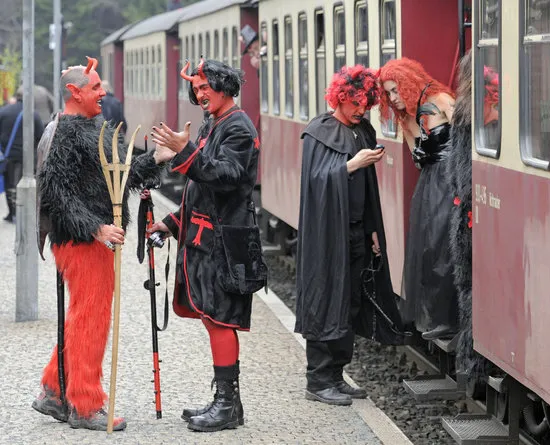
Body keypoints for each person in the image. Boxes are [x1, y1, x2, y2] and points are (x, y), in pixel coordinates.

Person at [32, 56, 171, 431]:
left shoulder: (97, 127)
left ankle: (53, 390)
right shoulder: (64, 132)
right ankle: (84, 404)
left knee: (82, 317)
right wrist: (96, 228)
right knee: (91, 320)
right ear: (75, 93)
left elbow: (121, 176)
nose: (103, 92)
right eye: (95, 88)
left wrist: (158, 158)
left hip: (94, 239)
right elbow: (56, 193)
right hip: (81, 241)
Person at [149, 58, 266, 433]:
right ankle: (225, 402)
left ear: (224, 87)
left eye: (205, 88)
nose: (200, 94)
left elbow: (226, 177)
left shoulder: (239, 128)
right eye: (196, 89)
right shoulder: (214, 123)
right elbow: (200, 190)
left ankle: (228, 406)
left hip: (226, 242)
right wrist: (169, 224)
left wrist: (185, 154)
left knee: (220, 320)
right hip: (208, 239)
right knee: (212, 318)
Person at [295, 65, 395, 406]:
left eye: (365, 103)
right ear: (339, 97)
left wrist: (371, 231)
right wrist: (353, 164)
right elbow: (316, 182)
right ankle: (318, 380)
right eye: (354, 102)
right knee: (326, 299)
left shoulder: (362, 130)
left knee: (349, 302)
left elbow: (367, 191)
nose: (359, 110)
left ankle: (336, 375)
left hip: (354, 232)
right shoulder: (319, 131)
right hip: (326, 235)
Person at [378, 57, 458, 340]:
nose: (393, 98)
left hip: (452, 179)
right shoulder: (406, 118)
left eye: (396, 90)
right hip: (431, 184)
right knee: (429, 248)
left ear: (409, 84)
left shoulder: (442, 100)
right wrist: (420, 151)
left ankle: (450, 318)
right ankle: (439, 318)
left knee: (444, 245)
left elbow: (468, 138)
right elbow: (417, 160)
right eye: (388, 93)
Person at [446, 53, 491, 378]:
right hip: (474, 218)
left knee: (468, 289)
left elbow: (455, 177)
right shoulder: (486, 116)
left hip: (463, 219)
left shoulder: (460, 114)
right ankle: (476, 361)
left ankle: (470, 359)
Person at [0, 87, 44, 222]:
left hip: (8, 155)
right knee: (26, 182)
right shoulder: (33, 114)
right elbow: (40, 136)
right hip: (27, 157)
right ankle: (23, 212)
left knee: (10, 184)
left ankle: (12, 212)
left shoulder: (4, 111)